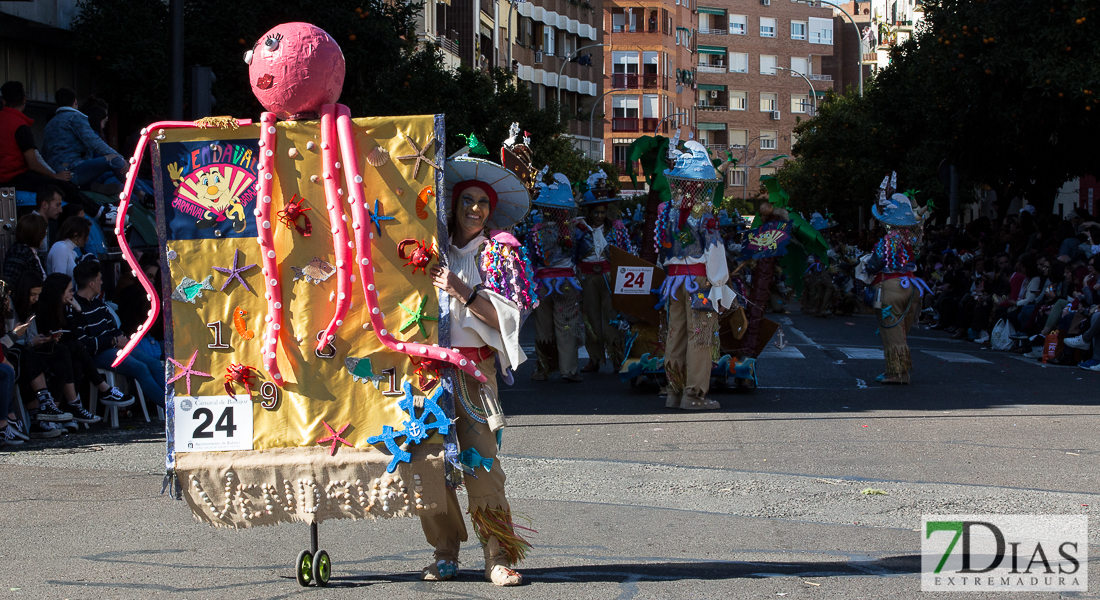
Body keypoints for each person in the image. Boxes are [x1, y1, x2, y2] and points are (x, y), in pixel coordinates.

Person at [420, 153, 537, 587]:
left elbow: (504, 318)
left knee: (482, 465)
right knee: (429, 465)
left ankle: (497, 556)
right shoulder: (428, 248)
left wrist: (459, 287)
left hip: (472, 372)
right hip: (427, 373)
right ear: (453, 205)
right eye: (467, 200)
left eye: (483, 203)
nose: (475, 208)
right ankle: (444, 552)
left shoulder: (498, 254)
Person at [654, 141, 737, 410]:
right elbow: (715, 253)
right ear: (702, 186)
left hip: (674, 281)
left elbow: (660, 253)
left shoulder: (666, 213)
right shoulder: (705, 214)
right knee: (699, 336)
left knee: (675, 334)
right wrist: (720, 284)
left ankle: (673, 392)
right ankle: (693, 395)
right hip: (700, 282)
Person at [34, 272, 135, 426]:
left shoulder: (63, 308)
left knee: (75, 361)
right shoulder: (42, 309)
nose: (72, 293)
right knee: (72, 348)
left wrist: (77, 310)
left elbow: (72, 333)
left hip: (60, 351)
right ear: (58, 292)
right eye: (69, 290)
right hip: (43, 351)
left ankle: (64, 413)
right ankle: (99, 392)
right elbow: (65, 335)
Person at [0, 81, 104, 218]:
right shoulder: (20, 126)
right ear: (24, 100)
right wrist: (55, 176)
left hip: (9, 176)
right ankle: (101, 214)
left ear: (4, 101)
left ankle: (101, 209)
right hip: (15, 177)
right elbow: (33, 162)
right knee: (65, 187)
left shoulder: (6, 120)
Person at [72, 259, 164, 411]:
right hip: (98, 353)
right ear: (91, 283)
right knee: (140, 368)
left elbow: (113, 327)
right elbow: (85, 344)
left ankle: (173, 402)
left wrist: (121, 339)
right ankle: (169, 409)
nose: (102, 282)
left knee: (153, 363)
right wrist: (114, 341)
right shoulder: (75, 308)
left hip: (114, 345)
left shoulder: (98, 304)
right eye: (99, 279)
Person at [862, 173, 927, 384]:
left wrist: (864, 264)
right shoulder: (913, 240)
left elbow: (875, 264)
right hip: (912, 286)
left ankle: (898, 374)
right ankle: (901, 371)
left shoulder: (890, 239)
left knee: (892, 334)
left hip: (891, 287)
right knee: (902, 333)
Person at [526, 173, 583, 382]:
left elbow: (530, 257)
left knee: (543, 327)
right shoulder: (575, 231)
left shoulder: (534, 232)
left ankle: (543, 369)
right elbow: (581, 253)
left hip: (542, 284)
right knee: (567, 325)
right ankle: (569, 370)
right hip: (567, 283)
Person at [575, 187, 633, 373]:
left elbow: (626, 252)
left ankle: (617, 358)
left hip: (610, 276)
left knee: (613, 318)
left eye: (602, 212)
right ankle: (595, 359)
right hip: (587, 277)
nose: (599, 216)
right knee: (591, 319)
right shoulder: (579, 230)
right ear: (589, 212)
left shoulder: (617, 229)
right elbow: (572, 254)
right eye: (596, 212)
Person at [40, 88, 128, 190]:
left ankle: (92, 187)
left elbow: (44, 153)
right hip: (74, 171)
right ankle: (141, 195)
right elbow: (94, 143)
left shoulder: (49, 125)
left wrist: (53, 174)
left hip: (58, 174)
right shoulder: (76, 117)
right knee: (115, 161)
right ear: (75, 101)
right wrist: (119, 158)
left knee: (111, 173)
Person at [1, 213, 48, 286]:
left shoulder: (35, 253)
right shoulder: (19, 252)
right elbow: (10, 281)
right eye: (43, 231)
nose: (45, 234)